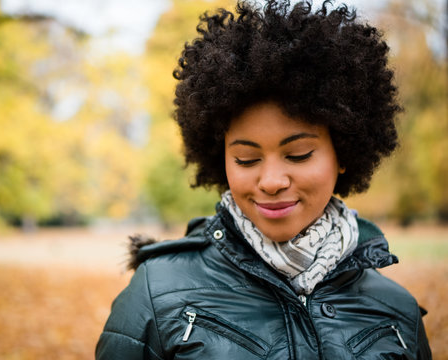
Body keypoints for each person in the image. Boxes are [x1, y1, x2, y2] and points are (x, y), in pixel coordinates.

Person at [96, 0, 432, 358]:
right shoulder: (156, 292)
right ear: (220, 158)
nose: (271, 181)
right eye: (247, 159)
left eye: (298, 154)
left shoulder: (398, 313)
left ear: (344, 153)